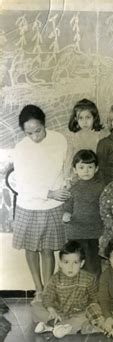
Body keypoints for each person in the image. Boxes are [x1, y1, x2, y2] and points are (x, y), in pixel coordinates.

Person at [12, 104, 70, 302]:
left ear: (44, 125)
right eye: (29, 133)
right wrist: (49, 192)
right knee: (31, 248)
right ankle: (38, 288)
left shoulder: (59, 140)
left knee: (47, 249)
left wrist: (64, 188)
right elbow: (23, 184)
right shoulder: (21, 149)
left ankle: (48, 291)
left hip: (53, 205)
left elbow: (65, 169)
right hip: (29, 205)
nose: (35, 136)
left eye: (38, 131)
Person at [32, 241, 98, 338]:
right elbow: (48, 297)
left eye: (75, 262)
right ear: (60, 263)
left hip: (78, 313)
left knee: (90, 314)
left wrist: (89, 309)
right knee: (36, 306)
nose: (70, 267)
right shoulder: (55, 279)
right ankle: (59, 326)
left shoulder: (89, 279)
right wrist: (51, 310)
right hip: (58, 311)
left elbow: (94, 298)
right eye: (66, 262)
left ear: (82, 263)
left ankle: (53, 327)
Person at [62, 150, 105, 276]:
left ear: (96, 168)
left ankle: (93, 292)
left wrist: (104, 230)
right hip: (75, 233)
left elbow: (104, 208)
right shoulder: (72, 187)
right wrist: (66, 214)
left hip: (94, 233)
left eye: (90, 167)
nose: (86, 171)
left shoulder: (101, 187)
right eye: (81, 167)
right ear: (75, 170)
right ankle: (76, 291)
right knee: (74, 264)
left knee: (93, 266)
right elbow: (67, 206)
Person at [64, 99, 105, 180]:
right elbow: (69, 159)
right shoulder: (72, 137)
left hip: (95, 175)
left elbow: (102, 160)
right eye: (81, 118)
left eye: (88, 117)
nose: (84, 122)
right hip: (77, 176)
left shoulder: (100, 135)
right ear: (76, 119)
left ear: (94, 117)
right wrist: (66, 177)